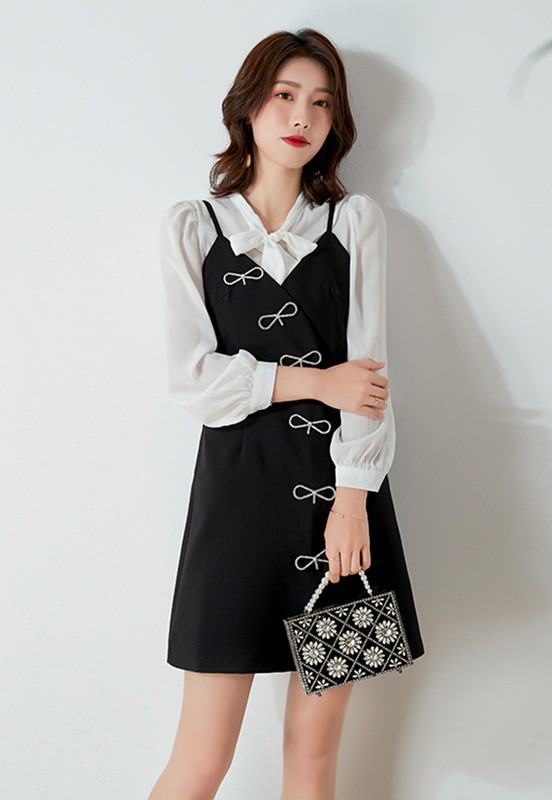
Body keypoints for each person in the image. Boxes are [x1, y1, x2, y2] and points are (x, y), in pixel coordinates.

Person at [149, 27, 425, 800]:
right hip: (233, 511)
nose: (303, 116)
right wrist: (316, 382)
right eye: (284, 95)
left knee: (313, 755)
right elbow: (191, 380)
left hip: (344, 515)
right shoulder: (192, 225)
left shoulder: (355, 223)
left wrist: (353, 503)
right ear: (248, 106)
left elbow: (369, 378)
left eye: (322, 103)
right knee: (202, 759)